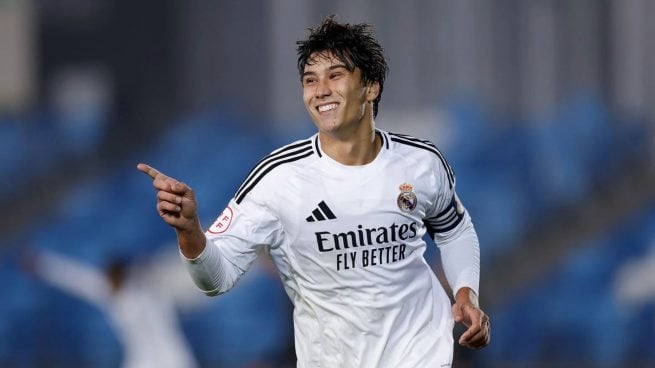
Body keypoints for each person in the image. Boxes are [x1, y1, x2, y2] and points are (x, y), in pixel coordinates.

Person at [138, 16, 490, 367]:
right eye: (310, 80)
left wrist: (465, 293)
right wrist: (189, 233)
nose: (320, 90)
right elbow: (214, 280)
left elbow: (455, 230)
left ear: (371, 87)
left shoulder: (421, 162)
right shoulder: (277, 179)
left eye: (335, 75)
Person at [21, 246, 206, 368]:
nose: (109, 283)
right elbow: (75, 278)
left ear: (122, 276)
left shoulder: (150, 288)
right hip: (142, 360)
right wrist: (42, 264)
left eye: (113, 278)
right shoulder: (110, 292)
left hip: (172, 358)